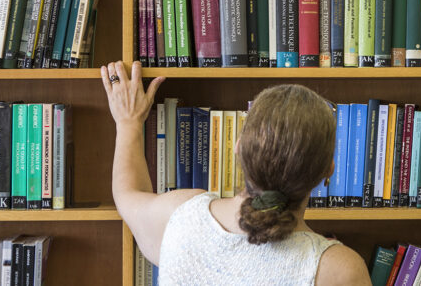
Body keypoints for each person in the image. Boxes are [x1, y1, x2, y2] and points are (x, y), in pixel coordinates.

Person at [101, 61, 371, 285]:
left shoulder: (179, 216)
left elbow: (127, 193)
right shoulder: (339, 271)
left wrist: (128, 122)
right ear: (328, 172)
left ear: (238, 149)